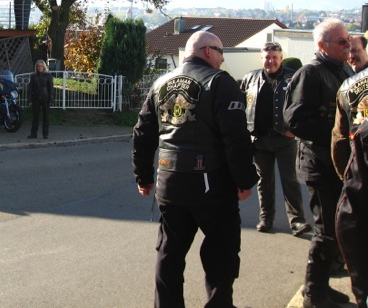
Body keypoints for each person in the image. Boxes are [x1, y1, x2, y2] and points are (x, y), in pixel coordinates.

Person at [132, 31, 258, 308]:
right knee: (221, 252)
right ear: (208, 51)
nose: (223, 59)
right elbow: (235, 138)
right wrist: (244, 180)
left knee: (169, 252)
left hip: (169, 181)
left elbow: (142, 133)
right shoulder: (220, 82)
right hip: (211, 184)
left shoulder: (161, 83)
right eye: (221, 52)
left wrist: (143, 176)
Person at [283, 18, 354, 308]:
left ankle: (322, 286)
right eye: (342, 41)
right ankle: (313, 293)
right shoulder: (310, 74)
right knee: (326, 231)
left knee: (337, 228)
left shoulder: (344, 70)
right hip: (320, 164)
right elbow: (296, 120)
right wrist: (339, 134)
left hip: (340, 164)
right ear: (322, 46)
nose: (348, 45)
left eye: (349, 39)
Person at [240, 42, 310, 235]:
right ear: (261, 58)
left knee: (290, 180)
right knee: (264, 182)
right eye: (267, 57)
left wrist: (295, 129)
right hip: (260, 138)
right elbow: (242, 103)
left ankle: (297, 221)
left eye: (274, 57)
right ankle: (266, 219)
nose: (270, 61)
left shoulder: (293, 77)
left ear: (281, 58)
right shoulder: (250, 77)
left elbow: (303, 104)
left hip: (284, 138)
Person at [331, 39, 368, 308]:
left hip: (359, 177)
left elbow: (340, 140)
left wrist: (349, 177)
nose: (351, 55)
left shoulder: (346, 86)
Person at [28, 59, 53, 139]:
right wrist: (30, 100)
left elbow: (51, 88)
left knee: (46, 117)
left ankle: (45, 134)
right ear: (36, 67)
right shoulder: (33, 76)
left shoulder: (48, 76)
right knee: (35, 117)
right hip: (36, 98)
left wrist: (51, 99)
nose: (40, 67)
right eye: (38, 66)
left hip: (45, 98)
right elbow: (30, 88)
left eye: (41, 66)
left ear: (44, 67)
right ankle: (33, 133)